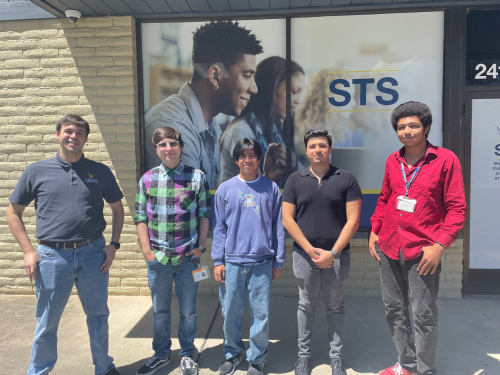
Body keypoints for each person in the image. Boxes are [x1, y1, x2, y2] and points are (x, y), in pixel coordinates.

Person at [7, 115, 125, 375]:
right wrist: (28, 251)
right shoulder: (36, 171)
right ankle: (39, 370)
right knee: (47, 320)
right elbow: (13, 212)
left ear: (86, 138)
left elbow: (118, 209)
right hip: (52, 256)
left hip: (93, 253)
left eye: (80, 133)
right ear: (58, 134)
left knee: (98, 315)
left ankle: (104, 367)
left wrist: (113, 244)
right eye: (69, 131)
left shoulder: (99, 171)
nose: (74, 136)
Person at [368, 102, 467, 375]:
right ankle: (407, 365)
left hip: (423, 250)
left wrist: (440, 245)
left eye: (413, 126)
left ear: (426, 128)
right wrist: (374, 229)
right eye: (401, 127)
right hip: (389, 246)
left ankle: (426, 370)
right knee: (394, 310)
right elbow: (385, 198)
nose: (407, 132)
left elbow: (457, 209)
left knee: (423, 315)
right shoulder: (393, 160)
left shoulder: (445, 160)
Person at [145, 20, 263, 189]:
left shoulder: (209, 125)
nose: (254, 88)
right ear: (215, 75)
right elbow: (187, 206)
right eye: (246, 75)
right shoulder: (173, 127)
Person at [282, 129, 362, 375]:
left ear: (330, 149)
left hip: (337, 257)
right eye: (313, 146)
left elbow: (353, 222)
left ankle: (336, 358)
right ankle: (303, 357)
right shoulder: (295, 180)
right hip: (304, 256)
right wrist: (310, 250)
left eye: (323, 145)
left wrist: (333, 253)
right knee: (306, 306)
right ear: (306, 151)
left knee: (335, 306)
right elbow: (287, 219)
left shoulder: (346, 178)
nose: (318, 150)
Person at [135, 127, 211, 375]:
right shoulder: (146, 179)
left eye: (173, 143)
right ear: (156, 149)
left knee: (188, 311)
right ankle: (161, 354)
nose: (168, 148)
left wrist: (200, 247)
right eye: (162, 144)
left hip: (189, 258)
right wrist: (147, 251)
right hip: (158, 258)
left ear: (181, 146)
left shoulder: (197, 177)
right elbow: (139, 217)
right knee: (160, 311)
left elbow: (204, 214)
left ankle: (187, 354)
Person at [212, 138, 286, 375]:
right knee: (230, 313)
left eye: (252, 155)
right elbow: (219, 228)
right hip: (232, 262)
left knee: (260, 314)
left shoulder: (271, 188)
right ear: (236, 160)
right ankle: (232, 354)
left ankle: (257, 359)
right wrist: (217, 261)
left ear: (258, 159)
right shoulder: (225, 189)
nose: (247, 160)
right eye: (243, 156)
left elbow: (278, 227)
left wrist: (279, 260)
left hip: (262, 262)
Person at [219, 56, 305, 186]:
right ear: (270, 89)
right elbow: (250, 195)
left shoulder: (273, 130)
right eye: (293, 92)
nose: (298, 100)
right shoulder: (241, 131)